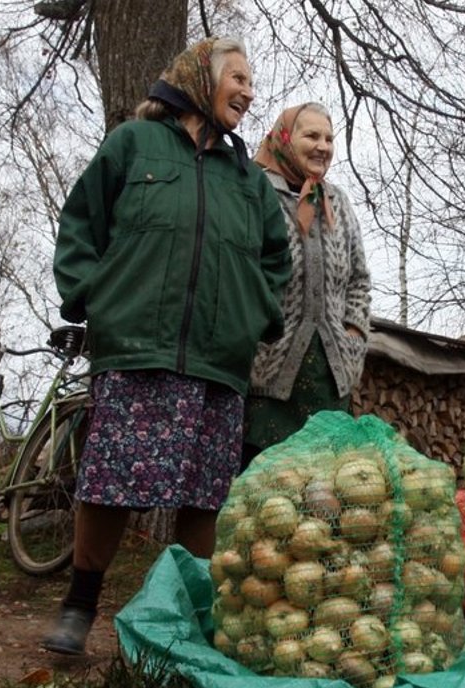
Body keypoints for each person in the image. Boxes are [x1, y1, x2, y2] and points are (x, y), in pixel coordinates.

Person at [44, 37, 291, 656]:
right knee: (110, 483)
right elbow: (81, 224)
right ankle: (79, 605)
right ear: (196, 80)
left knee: (205, 496)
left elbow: (275, 259)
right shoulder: (133, 144)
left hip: (217, 359)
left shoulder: (247, 177)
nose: (249, 92)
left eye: (251, 81)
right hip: (137, 348)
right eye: (237, 76)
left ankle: (185, 621)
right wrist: (89, 297)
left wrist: (254, 313)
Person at [240, 103, 371, 468]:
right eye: (311, 135)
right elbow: (239, 274)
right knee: (267, 493)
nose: (323, 146)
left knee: (328, 492)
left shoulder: (338, 203)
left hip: (330, 376)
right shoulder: (255, 193)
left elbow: (359, 281)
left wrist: (354, 337)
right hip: (268, 379)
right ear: (284, 139)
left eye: (329, 138)